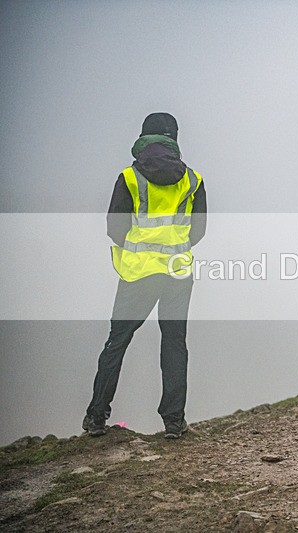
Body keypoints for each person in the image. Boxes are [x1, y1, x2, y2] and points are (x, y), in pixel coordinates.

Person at [82, 112, 207, 439]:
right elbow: (199, 230)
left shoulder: (129, 178)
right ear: (174, 139)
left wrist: (139, 251)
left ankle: (97, 416)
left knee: (117, 342)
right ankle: (174, 422)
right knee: (174, 342)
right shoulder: (193, 180)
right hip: (178, 272)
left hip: (137, 275)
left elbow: (114, 228)